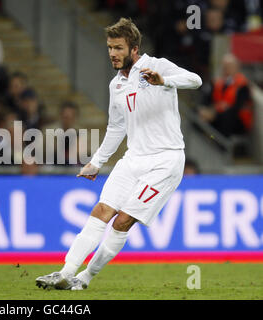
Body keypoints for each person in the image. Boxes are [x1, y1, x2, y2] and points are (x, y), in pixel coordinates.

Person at [35, 18, 202, 291]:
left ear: (134, 49)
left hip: (166, 161)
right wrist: (96, 162)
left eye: (118, 48)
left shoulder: (156, 65)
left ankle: (85, 277)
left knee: (123, 220)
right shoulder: (116, 86)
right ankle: (64, 273)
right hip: (133, 159)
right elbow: (116, 128)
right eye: (110, 47)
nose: (112, 53)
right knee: (102, 210)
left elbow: (195, 80)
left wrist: (165, 81)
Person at [198, 53, 253, 137]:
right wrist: (204, 109)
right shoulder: (218, 82)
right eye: (224, 66)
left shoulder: (242, 85)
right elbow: (208, 97)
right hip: (217, 114)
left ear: (237, 67)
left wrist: (215, 113)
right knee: (200, 112)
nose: (226, 69)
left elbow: (238, 106)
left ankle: (221, 146)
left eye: (229, 66)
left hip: (235, 119)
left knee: (226, 117)